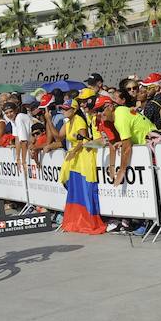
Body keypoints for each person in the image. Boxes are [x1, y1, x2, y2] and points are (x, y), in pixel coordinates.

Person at [54, 100, 106, 234]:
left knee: (85, 189)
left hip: (83, 158)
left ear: (74, 110)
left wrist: (74, 151)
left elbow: (84, 139)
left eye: (66, 109)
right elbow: (58, 137)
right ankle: (76, 219)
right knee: (74, 189)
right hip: (75, 159)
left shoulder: (79, 120)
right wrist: (48, 120)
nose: (64, 111)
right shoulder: (68, 122)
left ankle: (89, 220)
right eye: (63, 108)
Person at [2, 101, 33, 172]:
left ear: (16, 110)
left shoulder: (19, 117)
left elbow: (24, 141)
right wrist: (18, 158)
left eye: (11, 111)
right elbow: (17, 139)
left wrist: (23, 161)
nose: (9, 115)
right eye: (6, 113)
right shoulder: (13, 120)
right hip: (29, 144)